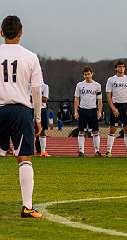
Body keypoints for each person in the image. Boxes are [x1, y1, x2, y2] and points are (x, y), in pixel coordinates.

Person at [0, 16, 43, 218]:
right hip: (20, 110)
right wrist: (37, 117)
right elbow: (36, 90)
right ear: (21, 33)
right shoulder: (31, 56)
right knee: (24, 159)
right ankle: (27, 206)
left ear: (1, 33)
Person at [105, 61, 127, 158]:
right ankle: (108, 151)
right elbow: (108, 95)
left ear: (125, 68)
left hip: (126, 106)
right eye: (119, 67)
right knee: (112, 129)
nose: (121, 68)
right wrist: (113, 108)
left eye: (123, 67)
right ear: (115, 68)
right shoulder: (111, 80)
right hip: (116, 105)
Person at [74, 66, 103, 157]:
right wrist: (76, 111)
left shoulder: (97, 85)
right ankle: (81, 151)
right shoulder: (79, 85)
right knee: (81, 131)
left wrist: (99, 111)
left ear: (92, 74)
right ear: (83, 75)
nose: (87, 76)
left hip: (93, 110)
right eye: (85, 74)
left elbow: (99, 100)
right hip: (82, 110)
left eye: (88, 74)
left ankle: (97, 151)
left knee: (95, 131)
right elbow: (76, 99)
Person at [33, 83, 51, 157]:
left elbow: (45, 99)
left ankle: (43, 151)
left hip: (42, 109)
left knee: (42, 130)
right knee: (27, 129)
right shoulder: (29, 85)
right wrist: (40, 97)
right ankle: (27, 150)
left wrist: (34, 96)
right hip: (30, 108)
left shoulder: (45, 86)